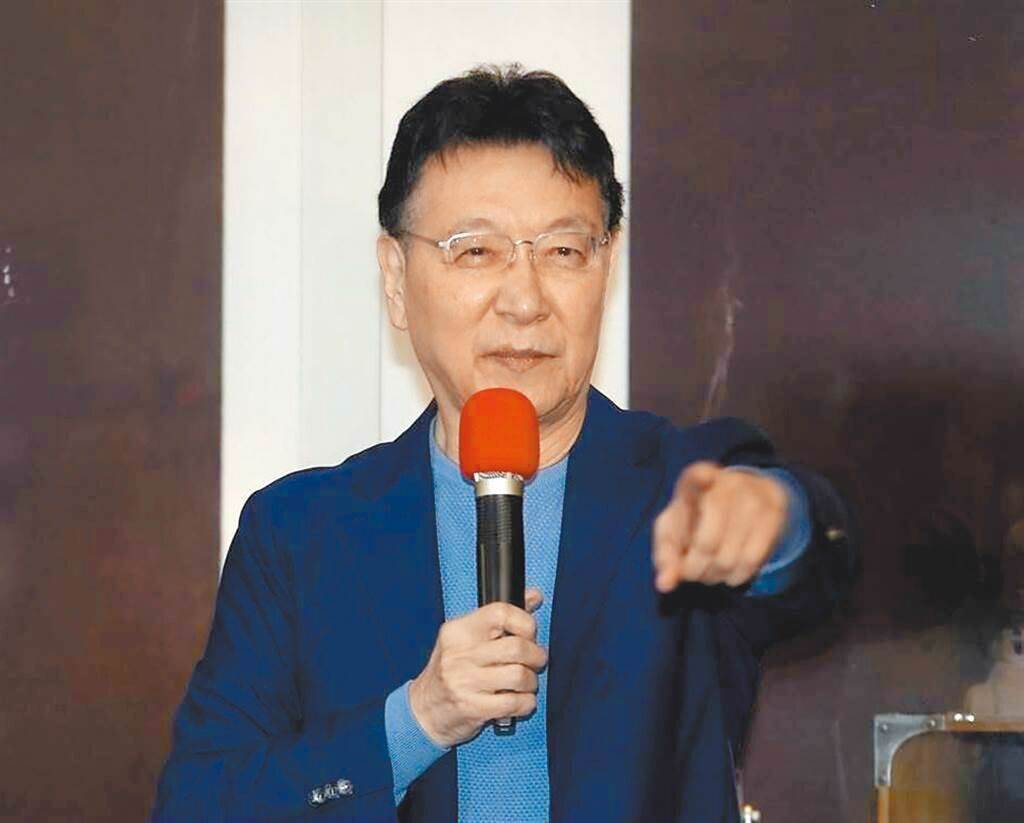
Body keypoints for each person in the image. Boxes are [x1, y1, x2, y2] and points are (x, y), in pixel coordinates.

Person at [152, 65, 856, 822]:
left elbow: (817, 561)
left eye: (563, 252)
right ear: (396, 277)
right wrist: (413, 722)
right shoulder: (300, 535)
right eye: (476, 251)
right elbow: (197, 807)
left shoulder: (679, 490)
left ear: (606, 265)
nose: (524, 300)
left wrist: (773, 521)